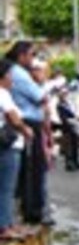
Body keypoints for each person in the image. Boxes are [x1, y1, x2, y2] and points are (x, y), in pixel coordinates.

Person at [5, 41, 48, 225]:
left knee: (30, 169)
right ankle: (32, 210)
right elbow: (40, 97)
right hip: (27, 122)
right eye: (31, 55)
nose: (33, 59)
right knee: (32, 170)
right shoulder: (20, 74)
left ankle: (31, 207)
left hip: (29, 122)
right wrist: (43, 82)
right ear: (21, 55)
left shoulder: (19, 73)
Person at [0, 59, 34, 241]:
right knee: (6, 187)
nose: (12, 79)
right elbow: (13, 117)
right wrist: (25, 130)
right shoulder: (3, 94)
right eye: (9, 75)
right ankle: (5, 226)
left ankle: (8, 222)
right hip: (8, 145)